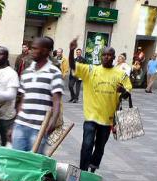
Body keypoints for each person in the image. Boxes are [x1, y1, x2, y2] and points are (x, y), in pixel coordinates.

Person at [69, 37, 132, 172]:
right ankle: (83, 171)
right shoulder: (91, 70)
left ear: (114, 57)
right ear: (100, 56)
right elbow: (73, 67)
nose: (106, 57)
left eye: (109, 55)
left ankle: (93, 169)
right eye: (104, 54)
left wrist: (123, 91)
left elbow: (128, 94)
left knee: (100, 147)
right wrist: (71, 51)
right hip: (91, 116)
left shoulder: (121, 74)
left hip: (108, 119)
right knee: (87, 144)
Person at [12, 36, 63, 154]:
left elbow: (57, 102)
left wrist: (53, 122)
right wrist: (15, 124)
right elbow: (23, 100)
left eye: (35, 48)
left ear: (45, 51)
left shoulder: (54, 73)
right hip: (21, 125)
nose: (31, 51)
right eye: (31, 48)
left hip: (39, 128)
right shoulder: (26, 72)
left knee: (33, 165)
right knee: (17, 162)